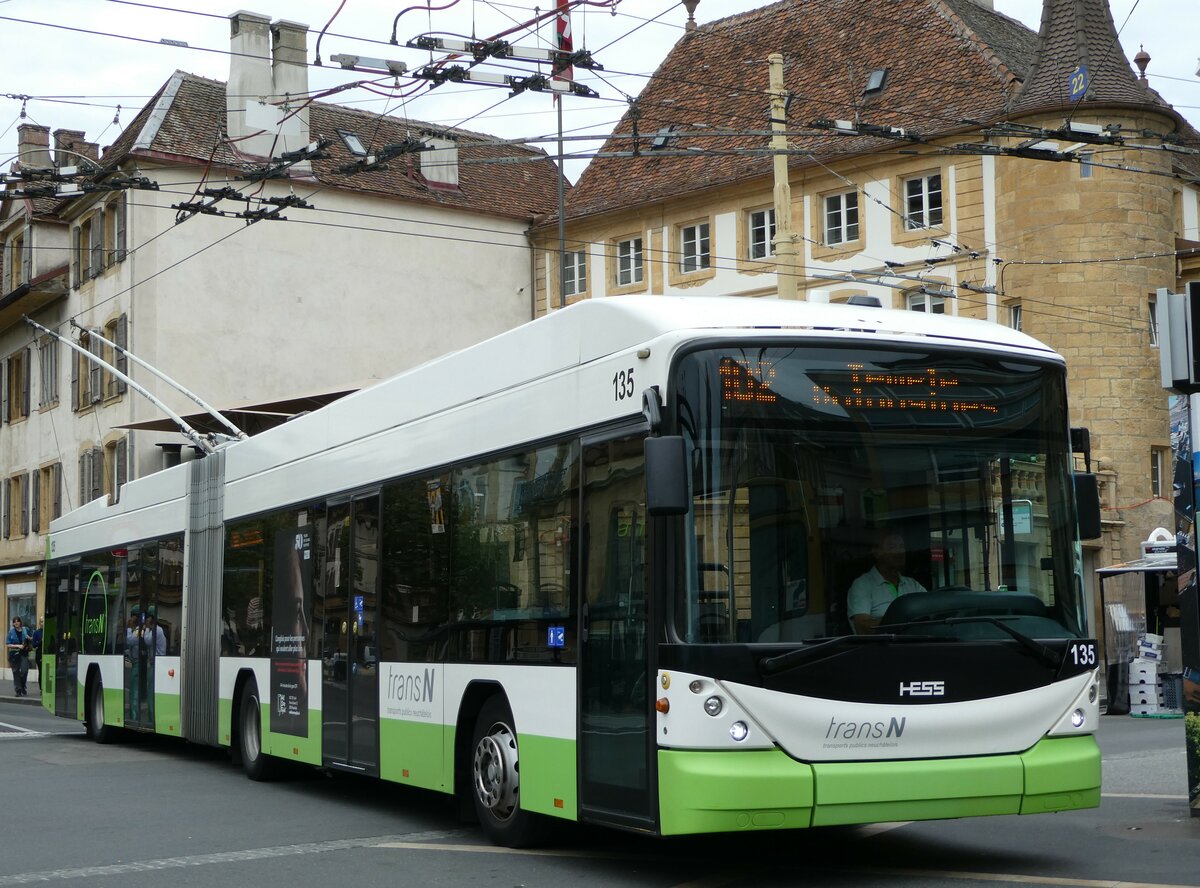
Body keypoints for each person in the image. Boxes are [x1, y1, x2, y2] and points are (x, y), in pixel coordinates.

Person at [847, 531, 928, 634]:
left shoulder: (913, 584)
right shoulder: (862, 585)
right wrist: (905, 622)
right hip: (880, 648)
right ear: (876, 553)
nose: (899, 552)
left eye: (902, 546)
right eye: (892, 547)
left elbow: (930, 612)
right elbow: (863, 627)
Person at [6, 616, 33, 697]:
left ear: (20, 622)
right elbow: (7, 644)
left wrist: (30, 638)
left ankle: (22, 685)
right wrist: (17, 646)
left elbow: (32, 637)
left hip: (24, 654)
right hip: (14, 655)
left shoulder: (26, 630)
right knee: (16, 672)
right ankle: (18, 690)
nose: (16, 623)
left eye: (18, 621)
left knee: (24, 671)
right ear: (13, 623)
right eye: (14, 621)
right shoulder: (11, 632)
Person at [31, 619, 43, 691]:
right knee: (41, 671)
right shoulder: (36, 632)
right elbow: (34, 645)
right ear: (39, 623)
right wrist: (40, 641)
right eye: (41, 622)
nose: (42, 623)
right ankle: (41, 689)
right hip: (39, 655)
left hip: (49, 654)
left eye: (43, 621)